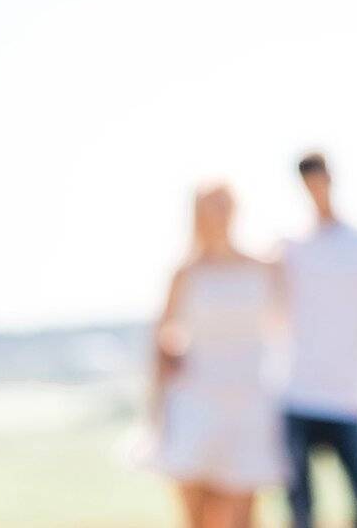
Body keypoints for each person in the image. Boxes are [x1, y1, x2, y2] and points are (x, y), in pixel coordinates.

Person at [147, 181, 284, 528]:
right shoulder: (185, 272)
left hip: (249, 397)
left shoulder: (265, 266)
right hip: (196, 398)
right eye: (210, 208)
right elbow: (160, 340)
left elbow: (291, 327)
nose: (218, 216)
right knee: (196, 507)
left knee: (244, 511)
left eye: (224, 206)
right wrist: (156, 407)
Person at [278, 152, 357, 528]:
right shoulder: (286, 249)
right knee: (301, 514)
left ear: (330, 178)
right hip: (296, 396)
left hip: (352, 400)